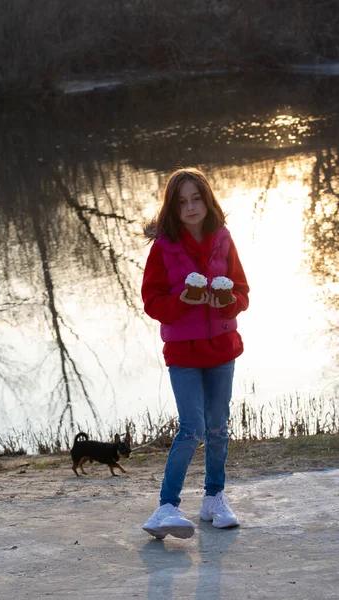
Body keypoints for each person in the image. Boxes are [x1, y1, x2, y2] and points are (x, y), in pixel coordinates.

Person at [141, 167, 249, 539]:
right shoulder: (164, 247)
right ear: (172, 207)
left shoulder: (223, 239)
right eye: (182, 201)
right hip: (184, 354)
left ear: (207, 200)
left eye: (196, 199)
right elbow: (152, 301)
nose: (190, 207)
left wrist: (226, 302)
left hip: (222, 350)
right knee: (192, 430)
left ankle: (213, 500)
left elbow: (242, 293)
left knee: (218, 429)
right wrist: (182, 301)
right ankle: (166, 508)